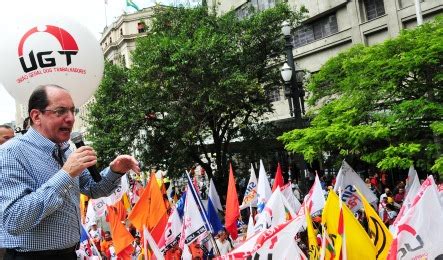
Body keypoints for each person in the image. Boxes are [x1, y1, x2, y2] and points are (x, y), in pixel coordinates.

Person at [0, 85, 140, 260]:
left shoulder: (68, 149)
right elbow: (14, 219)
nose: (71, 118)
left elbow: (94, 189)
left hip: (69, 254)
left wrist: (115, 170)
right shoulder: (10, 153)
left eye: (73, 111)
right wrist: (65, 174)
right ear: (36, 116)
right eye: (61, 111)